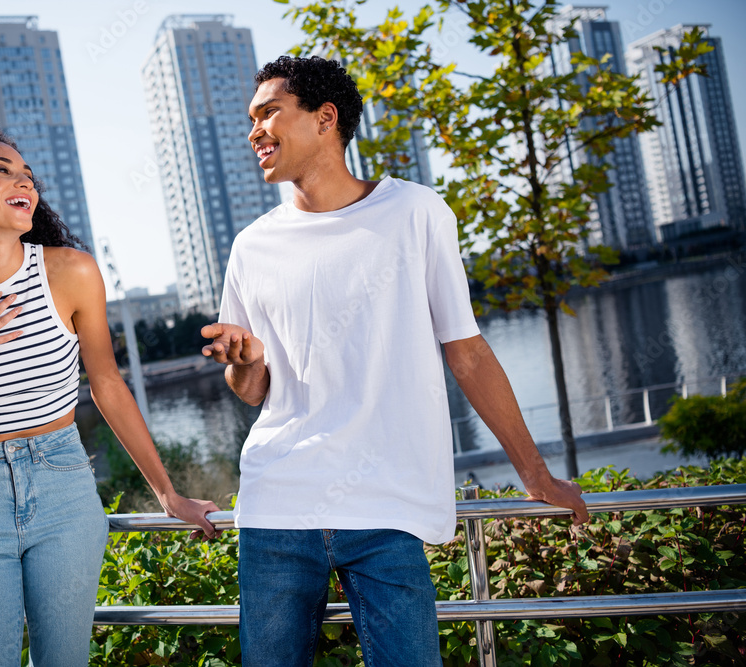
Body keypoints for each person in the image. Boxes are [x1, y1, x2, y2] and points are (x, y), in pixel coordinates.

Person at [200, 56, 590, 667]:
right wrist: (244, 360)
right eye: (251, 118)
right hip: (277, 506)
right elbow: (252, 391)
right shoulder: (252, 246)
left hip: (386, 506)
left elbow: (467, 352)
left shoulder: (416, 213)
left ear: (325, 118)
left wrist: (535, 474)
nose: (254, 131)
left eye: (269, 112)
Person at [0, 120, 218, 667]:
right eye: (2, 171)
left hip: (63, 487)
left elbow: (106, 384)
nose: (25, 183)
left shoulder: (71, 273)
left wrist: (168, 493)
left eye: (28, 174)